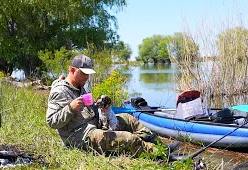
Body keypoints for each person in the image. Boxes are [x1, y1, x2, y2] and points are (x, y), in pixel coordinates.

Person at [46, 54, 180, 157]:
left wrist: (104, 112)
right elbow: (51, 121)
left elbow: (90, 112)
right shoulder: (60, 91)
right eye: (83, 73)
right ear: (72, 70)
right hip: (79, 137)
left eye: (88, 74)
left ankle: (161, 145)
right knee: (127, 138)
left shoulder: (80, 86)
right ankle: (161, 155)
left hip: (93, 126)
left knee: (128, 119)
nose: (87, 77)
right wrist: (70, 108)